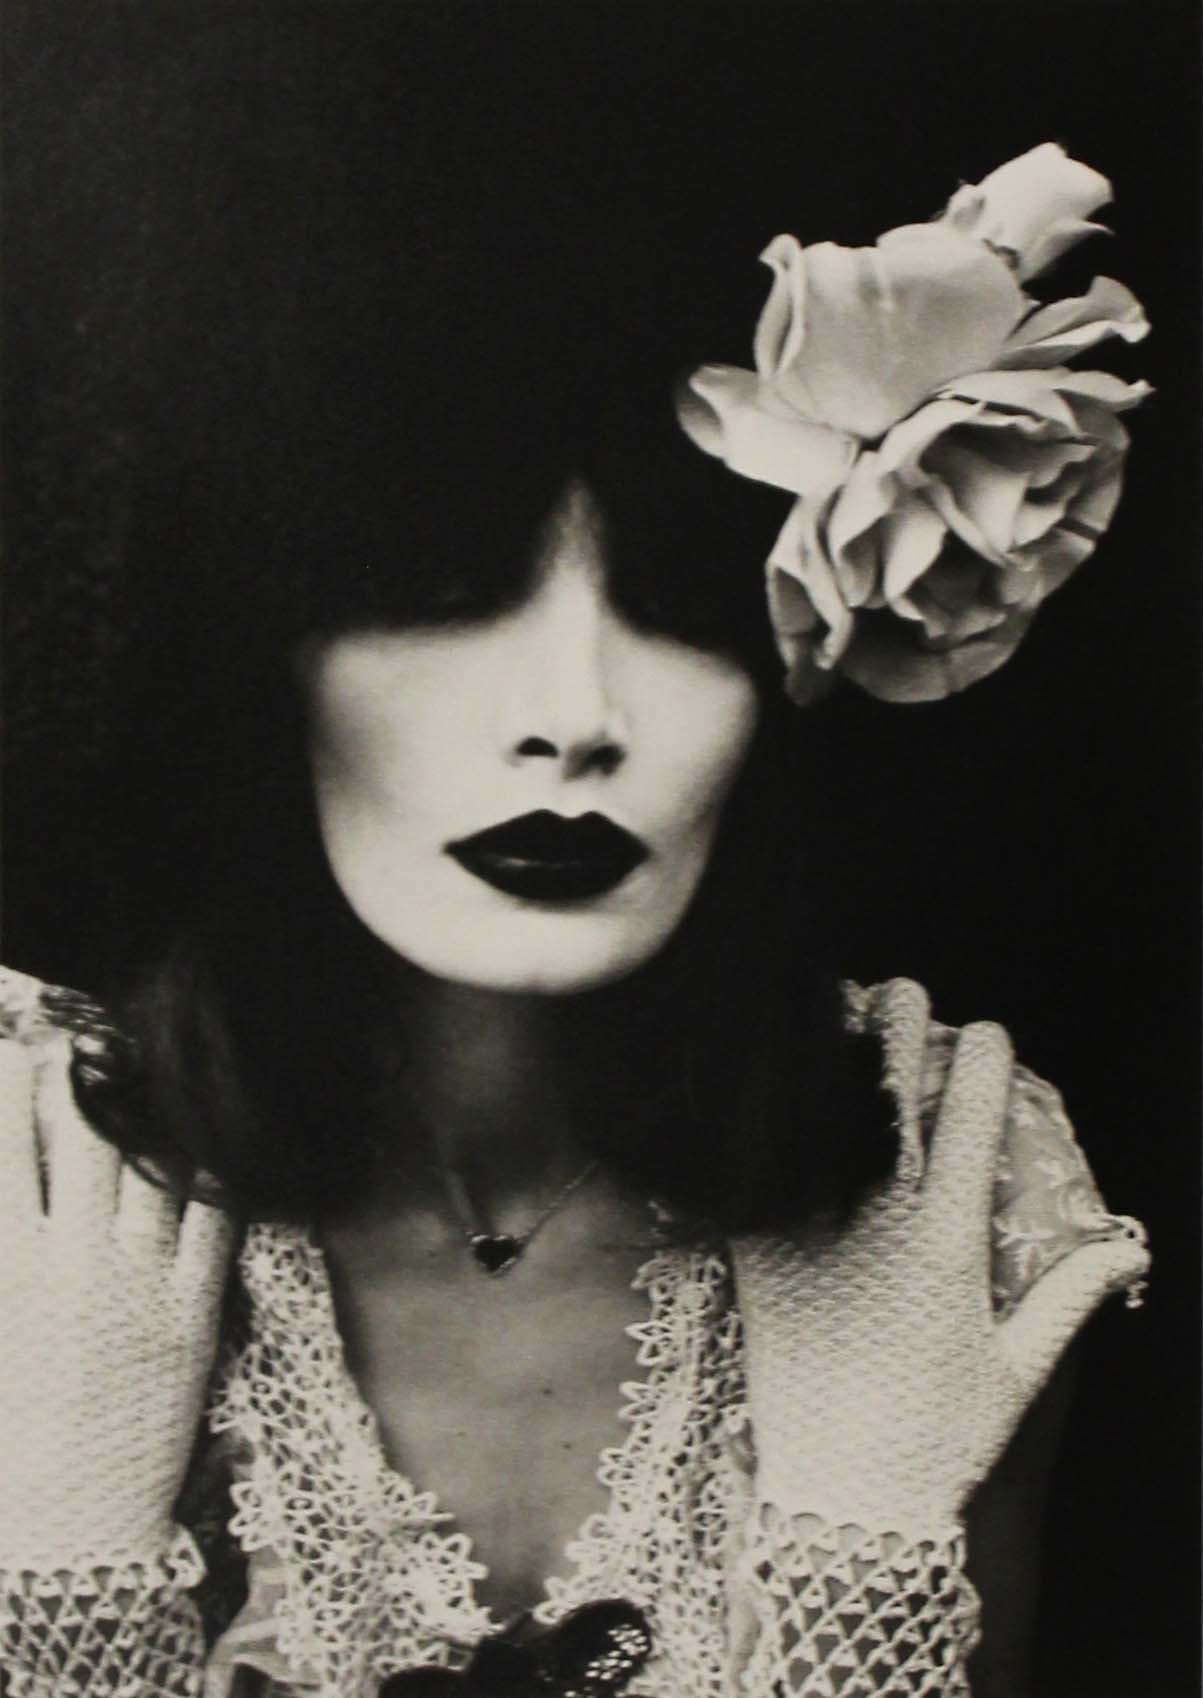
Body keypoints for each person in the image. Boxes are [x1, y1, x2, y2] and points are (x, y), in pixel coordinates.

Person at [0, 11, 1154, 1696]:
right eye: (441, 598)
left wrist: (868, 1571)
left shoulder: (945, 1179)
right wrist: (63, 1590)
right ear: (268, 664)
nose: (572, 717)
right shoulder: (28, 1176)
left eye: (681, 611)